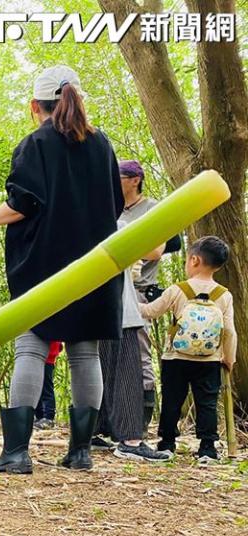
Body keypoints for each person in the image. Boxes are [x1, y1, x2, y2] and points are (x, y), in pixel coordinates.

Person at [0, 65, 124, 473]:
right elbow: (116, 205)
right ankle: (81, 451)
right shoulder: (102, 145)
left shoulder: (35, 143)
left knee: (32, 346)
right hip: (95, 266)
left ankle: (17, 452)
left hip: (44, 266)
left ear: (35, 105)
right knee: (84, 352)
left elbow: (24, 203)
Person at [139, 236, 237, 464]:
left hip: (175, 358)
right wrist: (229, 359)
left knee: (172, 400)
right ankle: (207, 448)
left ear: (194, 260)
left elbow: (150, 312)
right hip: (210, 359)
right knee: (207, 403)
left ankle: (166, 444)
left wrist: (130, 301)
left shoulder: (178, 290)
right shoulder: (224, 295)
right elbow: (230, 332)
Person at [119, 159, 183, 430]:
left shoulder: (153, 209)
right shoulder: (112, 208)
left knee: (140, 353)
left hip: (139, 291)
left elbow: (156, 251)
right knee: (108, 354)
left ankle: (141, 420)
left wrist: (119, 250)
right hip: (112, 289)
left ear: (135, 180)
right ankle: (113, 419)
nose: (114, 181)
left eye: (119, 176)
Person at [96, 255, 171, 462]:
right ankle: (131, 441)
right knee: (127, 372)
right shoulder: (119, 224)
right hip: (119, 306)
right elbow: (156, 250)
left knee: (98, 368)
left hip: (93, 307)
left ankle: (92, 432)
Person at [34, 342, 63, 429]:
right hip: (43, 357)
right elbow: (60, 346)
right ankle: (40, 416)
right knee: (37, 388)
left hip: (47, 358)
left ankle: (48, 418)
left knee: (46, 388)